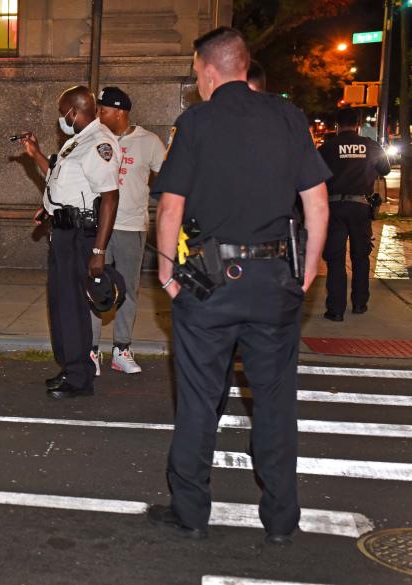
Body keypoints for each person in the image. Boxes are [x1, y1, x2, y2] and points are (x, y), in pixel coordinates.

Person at [146, 27, 330, 544]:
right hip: (275, 280)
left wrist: (166, 275)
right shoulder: (289, 118)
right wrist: (309, 268)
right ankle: (280, 520)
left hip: (208, 282)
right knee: (275, 402)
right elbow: (316, 203)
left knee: (200, 400)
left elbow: (172, 208)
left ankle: (191, 513)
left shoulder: (197, 121)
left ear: (208, 71)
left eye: (196, 74)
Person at [18, 85, 121, 399]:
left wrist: (99, 250)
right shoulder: (74, 143)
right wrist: (36, 157)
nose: (61, 119)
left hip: (81, 236)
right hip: (63, 232)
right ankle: (71, 368)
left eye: (63, 114)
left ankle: (78, 378)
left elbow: (110, 198)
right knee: (61, 304)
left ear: (75, 112)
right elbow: (62, 183)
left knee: (74, 307)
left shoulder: (99, 143)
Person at [89, 87, 166, 375]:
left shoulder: (149, 142)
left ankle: (121, 349)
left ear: (119, 112)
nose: (99, 114)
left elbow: (167, 177)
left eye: (103, 110)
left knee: (128, 291)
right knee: (95, 288)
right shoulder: (95, 138)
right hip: (99, 228)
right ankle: (91, 352)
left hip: (132, 227)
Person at [318, 107, 391, 320]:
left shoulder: (327, 148)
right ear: (358, 124)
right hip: (360, 208)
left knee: (335, 258)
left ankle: (336, 310)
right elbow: (385, 169)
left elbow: (313, 175)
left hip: (334, 208)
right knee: (360, 256)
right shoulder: (371, 146)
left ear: (337, 125)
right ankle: (360, 303)